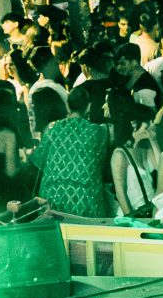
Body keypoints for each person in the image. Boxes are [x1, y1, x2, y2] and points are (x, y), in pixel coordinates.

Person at [31, 88, 118, 218]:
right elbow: (100, 165)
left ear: (68, 105)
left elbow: (38, 160)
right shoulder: (98, 131)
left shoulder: (53, 128)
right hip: (85, 197)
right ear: (88, 106)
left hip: (53, 195)